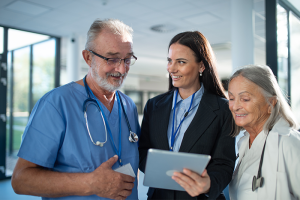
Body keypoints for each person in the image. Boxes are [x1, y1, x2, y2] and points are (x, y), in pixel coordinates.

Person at [11, 19, 140, 200]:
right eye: (112, 58)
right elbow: (20, 180)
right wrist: (91, 183)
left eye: (127, 59)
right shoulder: (56, 103)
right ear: (88, 57)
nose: (121, 68)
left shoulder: (129, 107)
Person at [139, 31, 236, 200]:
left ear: (201, 66)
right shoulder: (154, 106)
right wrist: (160, 170)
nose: (172, 68)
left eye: (181, 62)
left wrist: (209, 183)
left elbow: (224, 164)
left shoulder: (223, 109)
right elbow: (143, 151)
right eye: (170, 61)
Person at [227, 65, 300, 200]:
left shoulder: (290, 142)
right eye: (231, 98)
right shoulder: (244, 143)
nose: (235, 106)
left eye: (245, 99)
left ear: (270, 103)